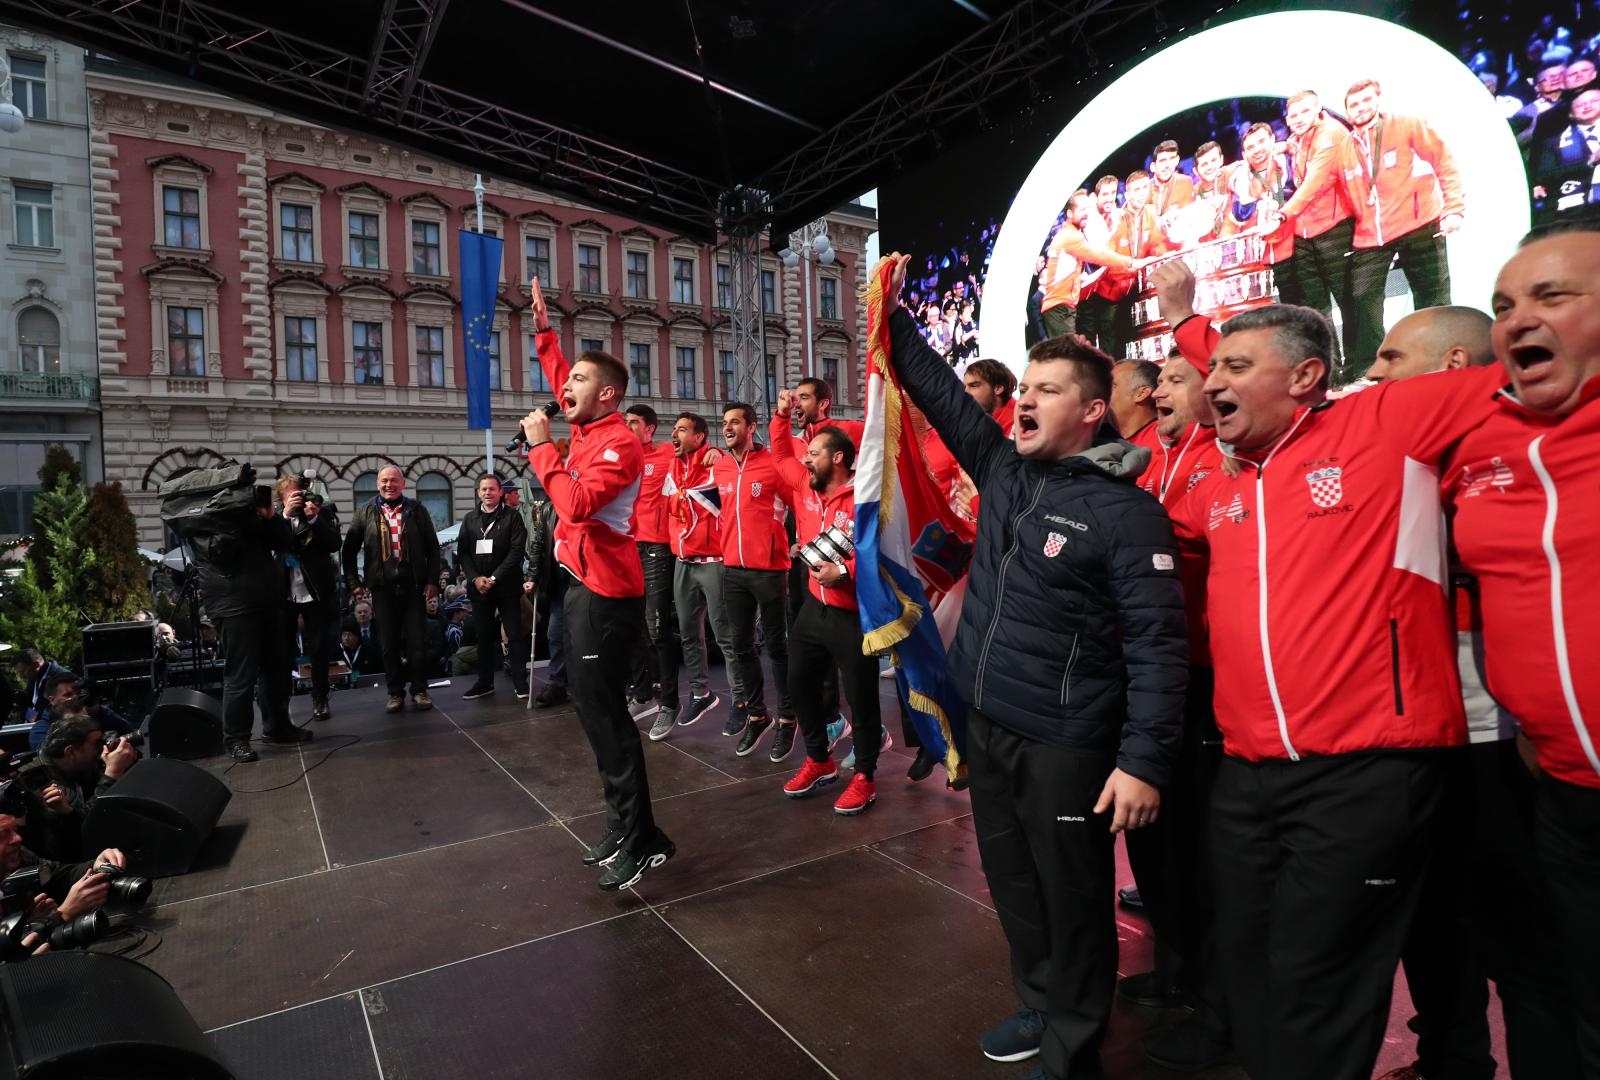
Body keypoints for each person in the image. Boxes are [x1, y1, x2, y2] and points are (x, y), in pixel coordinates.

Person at [1165, 280, 1504, 1080]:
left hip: (1367, 767)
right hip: (1245, 772)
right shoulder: (1226, 482)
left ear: (1307, 377)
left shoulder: (1386, 422)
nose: (1211, 382)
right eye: (1210, 367)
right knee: (1247, 967)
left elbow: (1539, 364)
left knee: (1319, 987)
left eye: (1235, 366)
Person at [884, 251, 1188, 1080]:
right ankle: (1042, 1000)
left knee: (1072, 898)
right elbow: (941, 395)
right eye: (1023, 385)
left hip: (1068, 744)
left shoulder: (1128, 516)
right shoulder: (1008, 473)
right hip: (992, 726)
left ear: (1093, 412)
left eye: (1046, 389)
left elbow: (1162, 648)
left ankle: (1074, 1044)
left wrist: (1141, 763)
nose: (1024, 398)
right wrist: (890, 311)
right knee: (1015, 887)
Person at [1445, 222, 1600, 1077]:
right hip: (1564, 793)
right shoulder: (1479, 439)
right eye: (1505, 305)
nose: (1517, 321)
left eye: (1551, 296)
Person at [523, 276, 673, 892]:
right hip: (581, 584)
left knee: (607, 718)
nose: (565, 389)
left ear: (609, 395)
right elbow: (564, 375)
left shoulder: (618, 445)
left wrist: (540, 452)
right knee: (594, 715)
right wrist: (543, 333)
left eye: (580, 382)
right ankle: (632, 830)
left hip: (607, 595)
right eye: (568, 381)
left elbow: (578, 503)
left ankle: (638, 840)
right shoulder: (587, 429)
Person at [768, 408, 880, 813]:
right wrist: (781, 417)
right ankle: (820, 759)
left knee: (861, 697)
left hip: (853, 613)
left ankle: (865, 776)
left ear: (837, 457)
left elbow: (882, 553)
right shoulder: (805, 486)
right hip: (814, 608)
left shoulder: (866, 496)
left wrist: (844, 570)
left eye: (813, 452)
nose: (805, 458)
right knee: (797, 683)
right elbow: (781, 457)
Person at [1339, 78, 1465, 380]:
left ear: (1378, 101)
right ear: (1346, 111)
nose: (1360, 108)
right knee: (1362, 296)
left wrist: (1454, 208)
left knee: (1432, 293)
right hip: (1371, 234)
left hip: (1418, 222)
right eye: (1353, 104)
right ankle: (1374, 368)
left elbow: (1443, 161)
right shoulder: (1344, 146)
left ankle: (1438, 359)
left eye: (1366, 101)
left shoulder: (1406, 125)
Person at [197, 481, 308, 762]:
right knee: (241, 675)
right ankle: (236, 738)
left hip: (267, 601)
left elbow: (284, 542)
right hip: (232, 605)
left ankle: (277, 725)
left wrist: (270, 517)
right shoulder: (202, 519)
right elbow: (220, 553)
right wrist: (236, 520)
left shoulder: (254, 518)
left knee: (277, 667)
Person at [713, 402, 799, 755]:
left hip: (769, 569)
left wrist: (799, 543)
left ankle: (788, 720)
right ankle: (758, 716)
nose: (728, 427)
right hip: (732, 570)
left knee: (777, 648)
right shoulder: (719, 468)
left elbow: (800, 501)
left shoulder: (773, 466)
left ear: (752, 427)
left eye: (735, 422)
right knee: (741, 646)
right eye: (724, 423)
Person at [657, 412, 737, 741]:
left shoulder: (716, 464)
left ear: (700, 437)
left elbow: (741, 464)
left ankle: (742, 700)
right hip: (682, 562)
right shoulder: (673, 466)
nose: (674, 434)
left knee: (726, 637)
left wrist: (720, 451)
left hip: (714, 562)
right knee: (689, 634)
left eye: (681, 430)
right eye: (673, 429)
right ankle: (701, 694)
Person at [341, 467, 441, 715]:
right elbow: (349, 550)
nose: (389, 485)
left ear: (403, 483)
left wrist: (432, 581)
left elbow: (433, 548)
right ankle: (395, 693)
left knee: (417, 643)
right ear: (377, 484)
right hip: (382, 588)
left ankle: (419, 690)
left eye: (394, 480)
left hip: (414, 586)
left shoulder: (417, 510)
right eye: (384, 481)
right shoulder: (365, 511)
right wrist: (354, 583)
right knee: (388, 644)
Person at [1275, 91, 1356, 375]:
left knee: (1348, 301)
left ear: (1318, 110)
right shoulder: (1298, 139)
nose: (1298, 120)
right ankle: (1331, 371)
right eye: (1293, 115)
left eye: (1304, 113)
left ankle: (1359, 367)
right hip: (1305, 234)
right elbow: (1294, 147)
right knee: (1317, 309)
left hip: (1335, 228)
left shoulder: (1330, 134)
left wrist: (1282, 213)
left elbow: (1314, 183)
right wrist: (1280, 147)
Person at [623, 404, 678, 722]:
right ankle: (643, 694)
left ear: (650, 428)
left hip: (657, 547)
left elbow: (699, 458)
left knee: (658, 628)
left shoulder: (667, 452)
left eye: (633, 423)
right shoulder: (621, 455)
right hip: (627, 547)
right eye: (625, 422)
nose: (627, 427)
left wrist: (712, 456)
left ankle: (669, 701)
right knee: (632, 626)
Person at [18, 717, 139, 861]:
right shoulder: (40, 782)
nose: (102, 748)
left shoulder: (78, 766)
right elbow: (86, 825)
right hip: (71, 859)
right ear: (71, 752)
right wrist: (112, 774)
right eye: (96, 744)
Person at [457, 473, 528, 701]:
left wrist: (494, 578)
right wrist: (475, 578)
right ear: (478, 492)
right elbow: (463, 552)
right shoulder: (470, 519)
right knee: (484, 636)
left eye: (492, 489)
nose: (488, 493)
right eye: (483, 489)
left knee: (514, 635)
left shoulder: (513, 517)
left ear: (500, 493)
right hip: (479, 589)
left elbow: (516, 551)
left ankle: (520, 682)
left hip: (506, 586)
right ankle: (484, 682)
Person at [275, 476, 341, 721]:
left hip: (315, 589)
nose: (297, 498)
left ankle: (320, 698)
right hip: (284, 591)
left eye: (299, 494)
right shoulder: (274, 519)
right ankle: (280, 703)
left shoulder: (318, 513)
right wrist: (284, 517)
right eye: (291, 495)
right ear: (281, 498)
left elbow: (334, 543)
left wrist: (313, 518)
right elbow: (273, 545)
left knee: (318, 648)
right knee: (283, 648)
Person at [1039, 191, 1138, 339]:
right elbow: (1098, 255)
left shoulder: (1067, 235)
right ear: (1069, 213)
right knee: (1069, 359)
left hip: (1060, 306)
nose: (1086, 214)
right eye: (1081, 210)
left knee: (1070, 356)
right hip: (1060, 307)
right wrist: (1129, 262)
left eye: (1087, 209)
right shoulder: (1071, 237)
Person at [521, 487, 567, 708]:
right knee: (555, 633)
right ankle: (557, 683)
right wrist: (533, 575)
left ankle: (584, 682)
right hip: (559, 583)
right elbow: (538, 545)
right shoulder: (547, 510)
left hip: (585, 583)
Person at [27, 671, 135, 753]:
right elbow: (48, 756)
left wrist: (99, 713)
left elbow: (128, 732)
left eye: (78, 693)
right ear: (52, 700)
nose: (75, 698)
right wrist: (75, 721)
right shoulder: (41, 729)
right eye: (68, 695)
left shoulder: (95, 712)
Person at [1109, 359, 1162, 451]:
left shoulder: (1166, 444)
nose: (1101, 392)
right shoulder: (1098, 442)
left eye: (1111, 386)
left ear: (1141, 394)